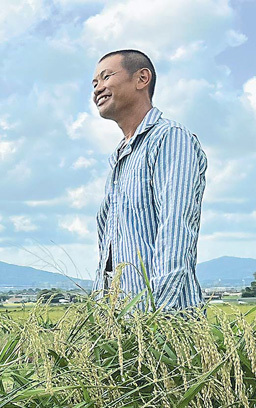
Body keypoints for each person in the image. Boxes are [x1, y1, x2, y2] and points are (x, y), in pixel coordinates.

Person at [91, 49, 207, 310]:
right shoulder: (119, 157)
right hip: (121, 323)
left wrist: (157, 320)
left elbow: (176, 229)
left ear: (142, 78)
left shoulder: (170, 139)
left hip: (161, 326)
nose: (98, 88)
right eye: (94, 84)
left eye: (106, 77)